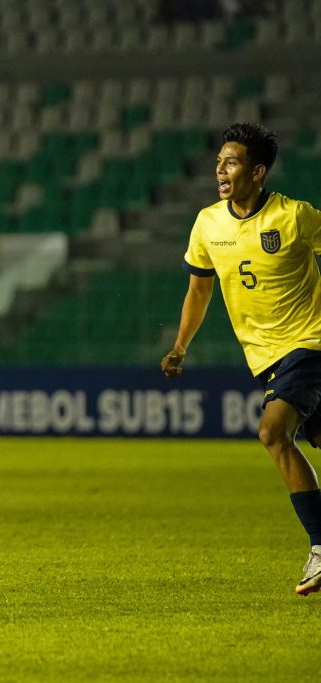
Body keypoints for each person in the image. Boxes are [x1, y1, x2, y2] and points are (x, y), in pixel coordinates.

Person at [161, 122, 321, 596]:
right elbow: (199, 289)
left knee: (272, 431)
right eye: (218, 163)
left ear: (257, 171)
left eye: (230, 163)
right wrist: (180, 345)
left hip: (309, 343)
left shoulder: (293, 217)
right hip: (264, 357)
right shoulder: (208, 223)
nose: (220, 170)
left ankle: (319, 546)